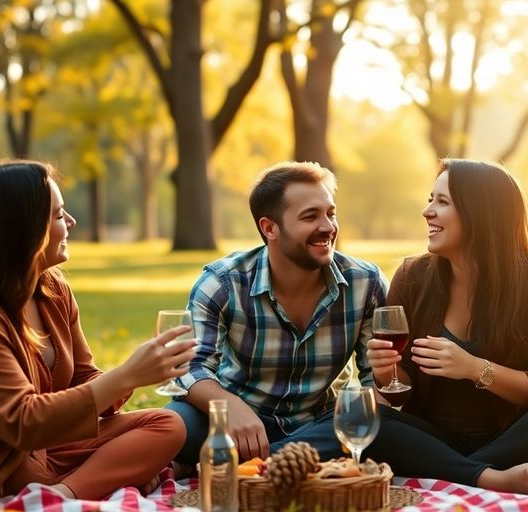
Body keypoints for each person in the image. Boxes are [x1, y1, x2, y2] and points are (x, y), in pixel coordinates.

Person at [0, 160, 196, 507]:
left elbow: (83, 378)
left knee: (166, 425)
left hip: (41, 448)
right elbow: (22, 422)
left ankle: (62, 494)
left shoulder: (51, 289)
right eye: (59, 214)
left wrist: (133, 376)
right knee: (51, 470)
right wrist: (128, 374)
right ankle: (70, 489)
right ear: (21, 229)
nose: (71, 223)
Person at [365, 159, 528, 495]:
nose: (427, 211)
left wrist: (475, 368)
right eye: (430, 199)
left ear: (481, 214)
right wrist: (385, 371)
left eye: (442, 202)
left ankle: (463, 472)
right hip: (436, 439)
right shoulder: (411, 277)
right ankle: (488, 477)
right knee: (363, 417)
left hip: (517, 440)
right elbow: (401, 394)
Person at [166, 161, 387, 469]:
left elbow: (374, 380)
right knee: (169, 426)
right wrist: (229, 406)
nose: (328, 226)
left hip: (318, 425)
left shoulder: (366, 283)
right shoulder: (223, 282)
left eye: (330, 213)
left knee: (381, 426)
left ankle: (241, 465)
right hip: (234, 421)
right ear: (269, 228)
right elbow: (190, 368)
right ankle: (278, 462)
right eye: (311, 216)